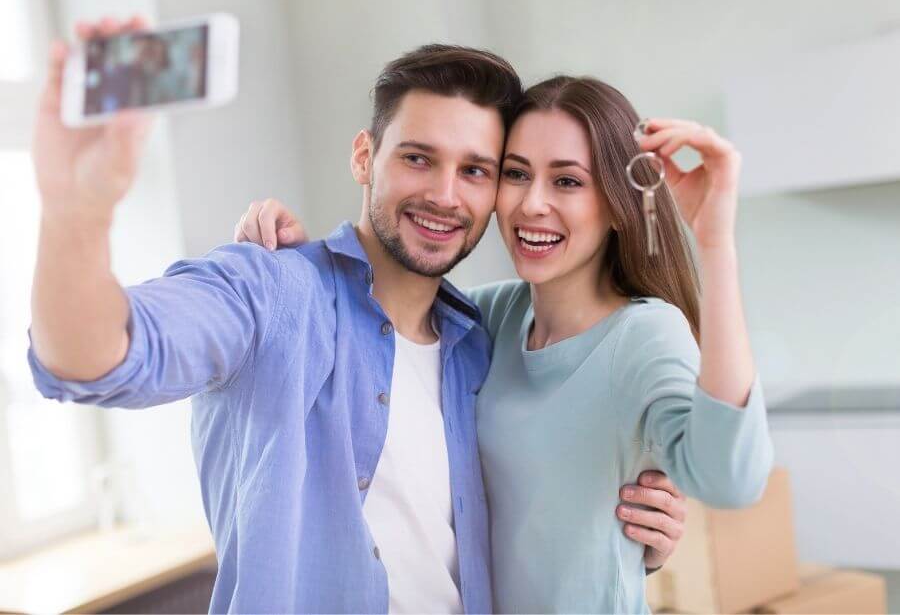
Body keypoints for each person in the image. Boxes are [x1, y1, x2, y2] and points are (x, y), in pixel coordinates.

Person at [27, 16, 687, 614]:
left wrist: (635, 536)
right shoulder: (271, 290)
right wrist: (75, 213)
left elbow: (532, 503)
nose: (444, 194)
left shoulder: (480, 343)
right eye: (418, 157)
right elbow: (93, 357)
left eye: (476, 170)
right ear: (364, 157)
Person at [235, 76, 774, 611]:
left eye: (567, 182)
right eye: (516, 174)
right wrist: (299, 266)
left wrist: (715, 240)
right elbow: (373, 325)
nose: (532, 204)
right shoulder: (484, 317)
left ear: (616, 204)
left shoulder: (642, 334)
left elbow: (731, 480)